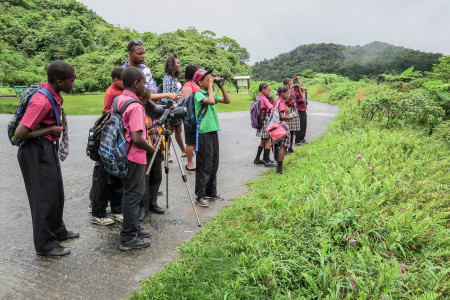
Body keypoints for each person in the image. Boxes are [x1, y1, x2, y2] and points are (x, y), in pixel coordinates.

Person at [14, 60, 79, 256]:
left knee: (56, 193)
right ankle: (45, 245)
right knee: (43, 199)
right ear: (59, 82)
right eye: (71, 81)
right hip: (34, 151)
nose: (73, 84)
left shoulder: (53, 93)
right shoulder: (41, 101)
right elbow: (20, 133)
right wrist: (51, 129)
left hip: (47, 147)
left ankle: (58, 230)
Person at [113, 67, 155, 251]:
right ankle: (128, 237)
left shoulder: (119, 99)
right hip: (134, 156)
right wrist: (152, 149)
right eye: (144, 82)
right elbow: (138, 138)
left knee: (129, 193)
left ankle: (133, 229)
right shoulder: (136, 106)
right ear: (136, 83)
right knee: (133, 195)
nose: (145, 86)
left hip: (122, 153)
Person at [90, 66, 125, 226]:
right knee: (103, 177)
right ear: (116, 80)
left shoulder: (118, 89)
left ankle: (117, 209)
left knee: (117, 174)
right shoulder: (116, 93)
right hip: (108, 135)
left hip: (116, 134)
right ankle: (98, 212)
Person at [193, 69, 230, 207]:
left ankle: (211, 192)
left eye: (211, 79)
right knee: (204, 165)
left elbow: (227, 100)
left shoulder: (210, 93)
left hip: (213, 131)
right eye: (207, 79)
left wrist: (221, 86)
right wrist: (210, 87)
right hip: (203, 132)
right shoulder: (198, 94)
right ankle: (200, 195)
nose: (210, 81)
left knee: (214, 163)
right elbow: (211, 102)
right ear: (200, 82)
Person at [139, 88, 165, 221]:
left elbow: (160, 125)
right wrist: (146, 130)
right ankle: (143, 207)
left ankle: (152, 203)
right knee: (145, 178)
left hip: (156, 145)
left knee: (156, 176)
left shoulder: (154, 111)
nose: (155, 103)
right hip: (144, 148)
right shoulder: (137, 109)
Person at [162, 54, 186, 157]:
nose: (179, 65)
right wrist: (172, 106)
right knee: (170, 130)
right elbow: (167, 94)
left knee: (178, 130)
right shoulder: (167, 78)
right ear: (172, 65)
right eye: (177, 63)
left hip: (177, 107)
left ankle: (184, 151)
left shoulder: (174, 78)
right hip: (171, 107)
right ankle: (168, 153)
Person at [181, 64, 200, 171]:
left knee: (196, 140)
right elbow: (188, 103)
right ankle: (190, 164)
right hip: (190, 117)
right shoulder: (188, 85)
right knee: (190, 141)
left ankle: (198, 161)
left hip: (197, 116)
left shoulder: (193, 84)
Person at [273, 85, 295, 174]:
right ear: (282, 93)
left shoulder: (276, 101)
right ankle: (279, 167)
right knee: (284, 145)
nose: (289, 95)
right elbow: (282, 116)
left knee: (277, 145)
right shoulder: (281, 102)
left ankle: (278, 165)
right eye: (287, 93)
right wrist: (292, 117)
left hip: (275, 125)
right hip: (282, 125)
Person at [254, 82, 277, 167]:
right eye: (268, 90)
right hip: (265, 121)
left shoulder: (258, 98)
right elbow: (272, 108)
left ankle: (257, 159)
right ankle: (267, 161)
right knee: (268, 140)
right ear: (263, 90)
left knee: (263, 141)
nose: (269, 92)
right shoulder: (264, 99)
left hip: (261, 121)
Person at [283, 78, 301, 153]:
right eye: (290, 84)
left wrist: (299, 89)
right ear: (286, 85)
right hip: (287, 110)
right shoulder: (283, 91)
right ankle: (285, 148)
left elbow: (301, 97)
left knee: (292, 131)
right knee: (287, 131)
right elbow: (286, 100)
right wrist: (290, 90)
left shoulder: (293, 91)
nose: (292, 85)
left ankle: (290, 147)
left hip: (294, 110)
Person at [293, 76, 308, 145]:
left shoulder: (298, 91)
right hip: (299, 110)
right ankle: (298, 140)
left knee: (304, 125)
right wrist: (304, 91)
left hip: (303, 109)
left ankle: (302, 138)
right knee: (300, 126)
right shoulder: (295, 93)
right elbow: (303, 99)